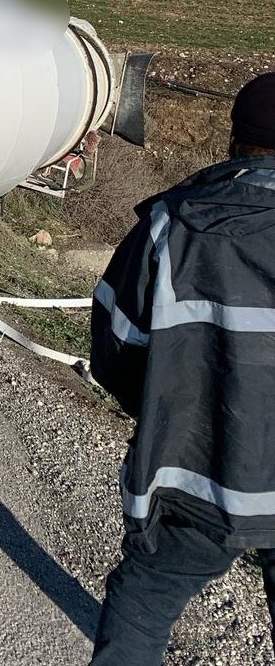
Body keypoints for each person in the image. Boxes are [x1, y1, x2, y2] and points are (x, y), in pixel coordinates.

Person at [89, 71, 275, 664]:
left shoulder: (170, 225)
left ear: (235, 140)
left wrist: (164, 410)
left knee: (146, 598)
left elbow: (118, 347)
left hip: (196, 473)